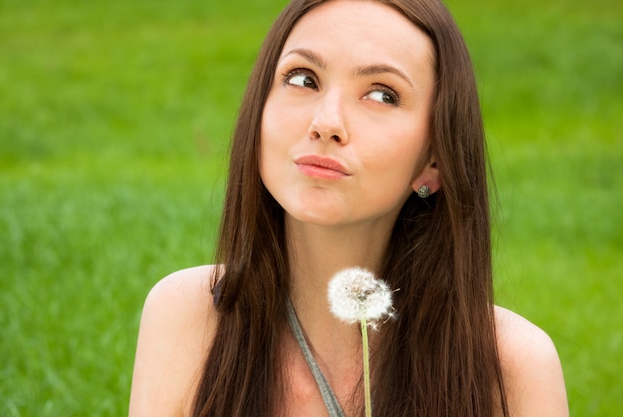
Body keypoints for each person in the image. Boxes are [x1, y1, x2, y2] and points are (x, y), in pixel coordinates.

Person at [129, 0, 569, 416]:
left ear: (435, 158)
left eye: (382, 95)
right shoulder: (188, 319)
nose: (326, 123)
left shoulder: (512, 369)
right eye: (303, 79)